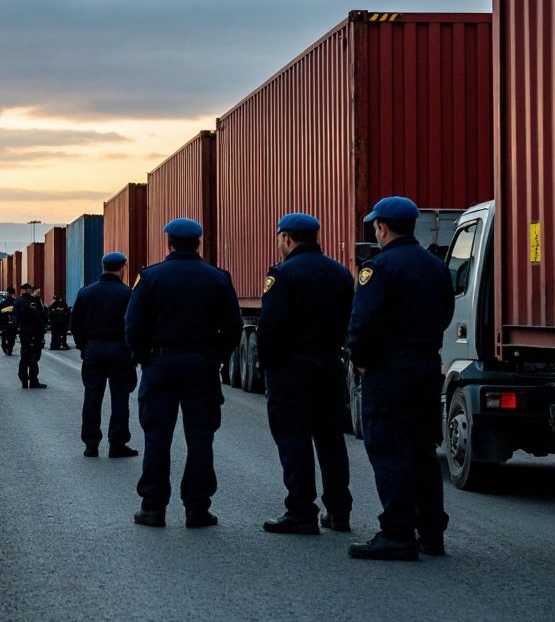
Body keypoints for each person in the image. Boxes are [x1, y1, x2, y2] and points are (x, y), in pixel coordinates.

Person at [347, 196, 454, 561]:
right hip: (425, 368)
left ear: (382, 228)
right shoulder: (435, 266)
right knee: (422, 450)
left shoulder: (377, 268)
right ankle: (432, 533)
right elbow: (445, 313)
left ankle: (397, 533)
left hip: (388, 371)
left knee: (390, 450)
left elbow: (362, 323)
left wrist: (361, 361)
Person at [126, 218, 243, 528]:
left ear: (169, 243)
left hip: (160, 366)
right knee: (201, 440)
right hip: (202, 366)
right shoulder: (217, 278)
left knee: (157, 438)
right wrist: (217, 357)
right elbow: (233, 326)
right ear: (199, 243)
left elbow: (133, 324)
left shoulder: (150, 278)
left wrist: (143, 358)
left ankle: (153, 508)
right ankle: (197, 508)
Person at [257, 213, 356, 537]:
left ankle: (301, 511)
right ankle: (339, 511)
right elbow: (348, 320)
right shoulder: (340, 273)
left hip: (291, 370)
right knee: (330, 440)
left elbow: (269, 327)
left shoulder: (283, 275)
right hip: (330, 367)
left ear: (287, 238)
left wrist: (268, 366)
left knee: (294, 438)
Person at [70, 252, 138, 459]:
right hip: (120, 350)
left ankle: (91, 444)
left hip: (94, 349)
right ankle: (117, 444)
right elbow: (135, 325)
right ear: (123, 268)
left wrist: (84, 347)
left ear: (103, 267)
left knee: (92, 397)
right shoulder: (128, 294)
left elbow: (75, 325)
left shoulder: (86, 293)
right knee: (119, 398)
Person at [14, 283, 48, 388]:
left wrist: (18, 329)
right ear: (29, 290)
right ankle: (33, 381)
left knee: (24, 355)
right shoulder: (35, 301)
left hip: (24, 333)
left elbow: (15, 317)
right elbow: (42, 315)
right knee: (34, 357)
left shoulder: (17, 301)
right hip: (36, 333)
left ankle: (24, 379)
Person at [0, 287, 18, 356]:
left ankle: (6, 348)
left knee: (5, 336)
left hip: (5, 323)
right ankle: (9, 349)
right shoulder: (16, 302)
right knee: (12, 337)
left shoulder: (3, 303)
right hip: (12, 323)